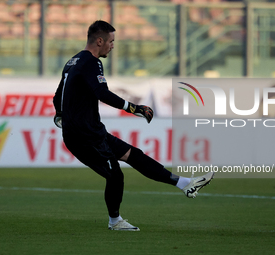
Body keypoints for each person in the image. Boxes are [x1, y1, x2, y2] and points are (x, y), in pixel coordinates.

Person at [53, 20, 214, 231]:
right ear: (99, 41)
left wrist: (60, 115)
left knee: (133, 155)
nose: (112, 45)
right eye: (111, 41)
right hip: (84, 135)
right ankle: (115, 222)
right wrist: (134, 108)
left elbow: (58, 95)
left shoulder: (73, 61)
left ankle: (185, 184)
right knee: (115, 175)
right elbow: (101, 93)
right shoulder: (92, 62)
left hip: (91, 131)